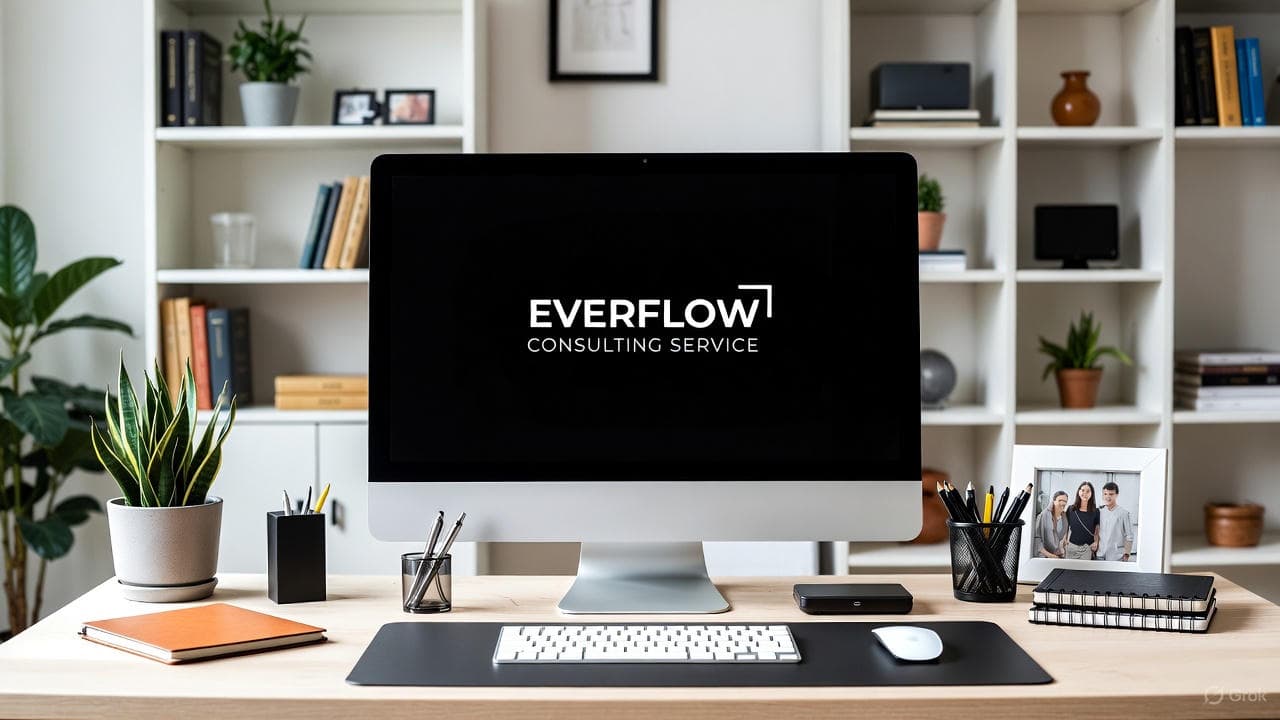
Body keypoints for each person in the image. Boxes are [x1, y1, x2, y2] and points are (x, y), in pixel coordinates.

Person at [1097, 481, 1135, 562]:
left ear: (1116, 495)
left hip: (1116, 557)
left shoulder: (1124, 513)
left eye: (1111, 494)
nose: (1107, 497)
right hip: (1100, 555)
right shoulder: (1099, 511)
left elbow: (1129, 536)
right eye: (1105, 494)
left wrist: (1126, 554)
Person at [1064, 481, 1100, 560]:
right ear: (1078, 492)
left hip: (1087, 548)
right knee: (1070, 571)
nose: (1085, 493)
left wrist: (1096, 542)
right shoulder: (1071, 509)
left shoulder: (1096, 511)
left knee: (1085, 571)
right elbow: (1066, 527)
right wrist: (1064, 540)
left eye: (1088, 491)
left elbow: (1097, 530)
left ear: (1092, 494)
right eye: (1082, 490)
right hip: (1072, 547)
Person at [1035, 490, 1070, 558]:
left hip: (1058, 556)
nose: (1063, 503)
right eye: (1060, 500)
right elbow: (1037, 539)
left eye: (1065, 501)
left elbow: (1061, 538)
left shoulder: (1064, 518)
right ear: (1054, 501)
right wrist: (1049, 555)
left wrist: (1063, 547)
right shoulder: (1043, 515)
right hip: (1044, 557)